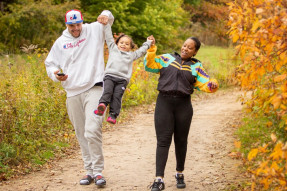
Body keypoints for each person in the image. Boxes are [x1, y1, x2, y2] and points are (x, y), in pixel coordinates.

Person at [45, 9, 114, 187]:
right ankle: (89, 171)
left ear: (82, 21)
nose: (76, 28)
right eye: (71, 25)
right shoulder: (60, 42)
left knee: (92, 129)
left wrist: (106, 14)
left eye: (78, 24)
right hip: (72, 92)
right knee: (82, 133)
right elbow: (50, 63)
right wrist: (55, 74)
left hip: (95, 87)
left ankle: (98, 172)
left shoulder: (93, 30)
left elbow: (109, 19)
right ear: (66, 25)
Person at [144, 36, 219, 191]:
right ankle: (159, 179)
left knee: (181, 141)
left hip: (184, 105)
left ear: (195, 51)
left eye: (190, 48)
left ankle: (179, 173)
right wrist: (151, 49)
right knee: (163, 141)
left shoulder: (196, 66)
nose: (185, 49)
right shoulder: (167, 58)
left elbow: (205, 83)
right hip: (164, 103)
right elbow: (149, 65)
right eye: (184, 45)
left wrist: (213, 85)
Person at [94, 23, 153, 124]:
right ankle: (102, 105)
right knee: (107, 91)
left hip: (122, 80)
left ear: (130, 47)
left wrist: (148, 42)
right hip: (110, 77)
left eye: (127, 44)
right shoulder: (113, 49)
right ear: (117, 44)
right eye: (121, 42)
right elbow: (108, 36)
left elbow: (142, 51)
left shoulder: (132, 55)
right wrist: (106, 25)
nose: (123, 45)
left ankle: (113, 115)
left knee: (117, 96)